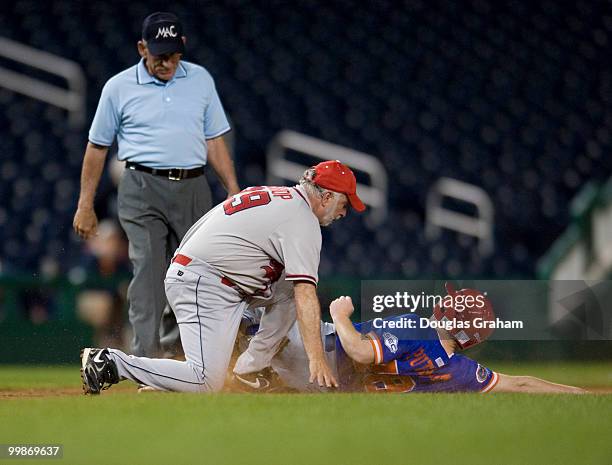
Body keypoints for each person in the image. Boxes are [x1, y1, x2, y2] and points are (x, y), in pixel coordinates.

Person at [79, 160, 366, 394]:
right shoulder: (303, 220)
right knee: (205, 380)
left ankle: (248, 370)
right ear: (326, 196)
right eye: (344, 203)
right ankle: (111, 363)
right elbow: (306, 294)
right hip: (204, 284)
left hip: (208, 278)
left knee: (290, 290)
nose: (345, 211)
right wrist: (317, 358)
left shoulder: (279, 197)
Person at [73, 12, 240, 358]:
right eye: (159, 54)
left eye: (174, 54)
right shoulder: (118, 87)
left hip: (193, 185)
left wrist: (233, 188)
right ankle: (146, 360)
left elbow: (214, 139)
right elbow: (97, 147)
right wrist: (85, 204)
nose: (167, 62)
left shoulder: (200, 80)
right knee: (149, 270)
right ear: (141, 47)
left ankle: (180, 356)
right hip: (140, 185)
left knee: (193, 270)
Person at [238, 286, 586, 394]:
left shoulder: (417, 327)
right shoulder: (458, 370)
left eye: (450, 303)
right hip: (327, 388)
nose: (442, 303)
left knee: (277, 298)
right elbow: (521, 384)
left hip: (318, 355)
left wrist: (341, 316)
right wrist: (580, 395)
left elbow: (358, 351)